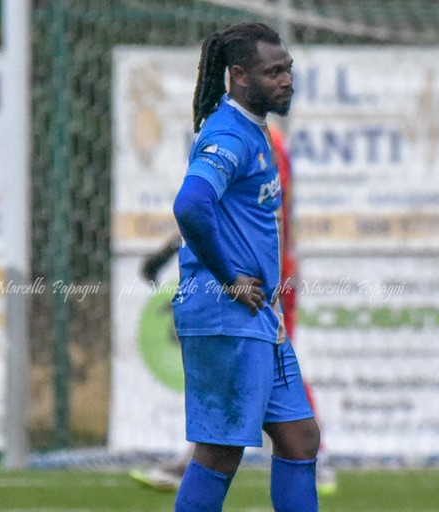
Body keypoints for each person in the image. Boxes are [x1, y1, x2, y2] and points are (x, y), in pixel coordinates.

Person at [130, 124, 337, 497]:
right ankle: (198, 457)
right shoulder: (245, 137)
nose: (283, 80)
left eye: (283, 71)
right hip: (258, 276)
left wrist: (168, 254)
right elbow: (215, 211)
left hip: (263, 281)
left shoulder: (258, 142)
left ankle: (309, 457)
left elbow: (227, 213)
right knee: (260, 382)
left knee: (268, 371)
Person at [170, 22, 320, 511]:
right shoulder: (229, 134)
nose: (286, 80)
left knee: (299, 438)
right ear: (238, 77)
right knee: (219, 452)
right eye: (272, 72)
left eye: (288, 69)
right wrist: (229, 280)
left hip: (258, 315)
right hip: (226, 310)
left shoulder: (255, 134)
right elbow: (191, 204)